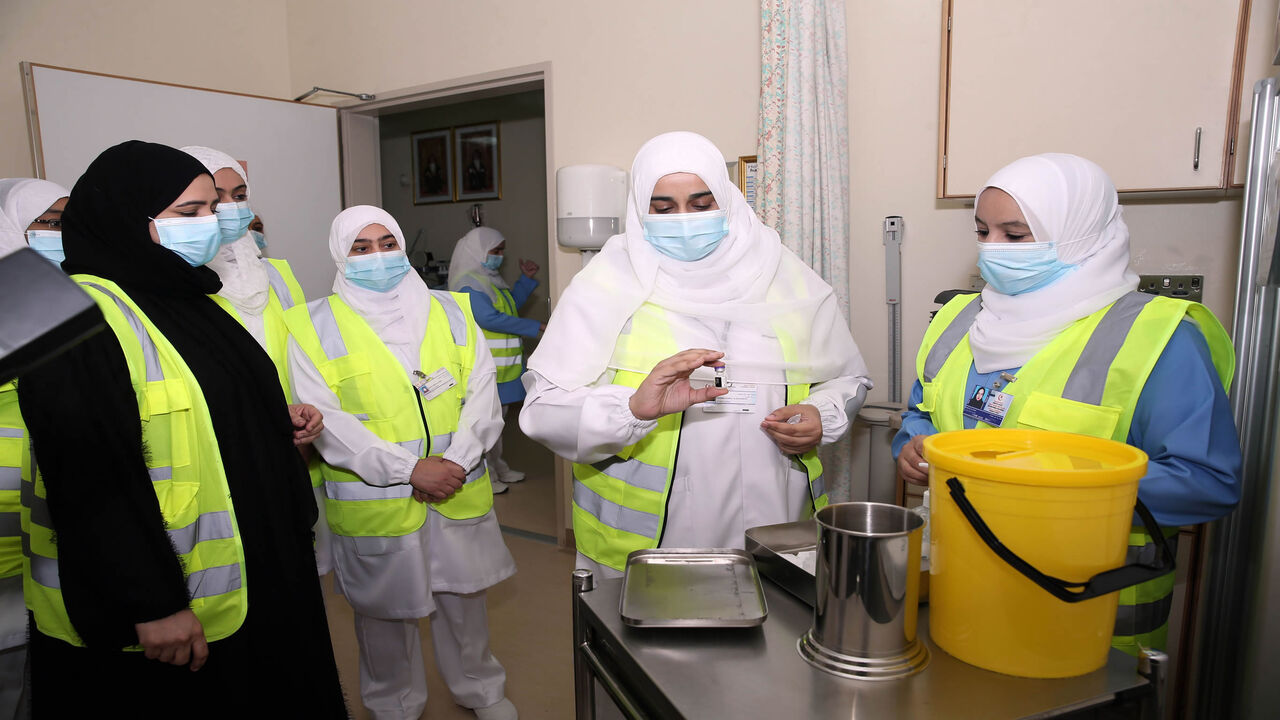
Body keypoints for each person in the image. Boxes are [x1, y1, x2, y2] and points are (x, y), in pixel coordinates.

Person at [16, 141, 347, 717]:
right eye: (187, 213)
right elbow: (90, 476)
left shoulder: (190, 295)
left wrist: (274, 425)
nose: (210, 225)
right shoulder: (69, 315)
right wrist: (151, 602)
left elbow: (207, 406)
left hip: (255, 570)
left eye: (211, 210)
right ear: (126, 214)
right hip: (166, 601)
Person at [893, 153, 1241, 655]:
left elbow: (1208, 483)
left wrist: (1044, 487)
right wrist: (911, 446)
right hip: (964, 593)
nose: (992, 251)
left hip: (1088, 618)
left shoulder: (1158, 340)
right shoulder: (958, 318)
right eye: (982, 231)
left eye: (1015, 236)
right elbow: (923, 414)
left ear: (1080, 233)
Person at [520, 131, 873, 578]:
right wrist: (628, 410)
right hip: (653, 547)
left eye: (702, 204)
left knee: (775, 641)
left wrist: (824, 413)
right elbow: (541, 410)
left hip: (777, 529)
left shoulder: (788, 278)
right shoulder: (605, 287)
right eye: (663, 209)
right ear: (639, 212)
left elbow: (848, 378)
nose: (684, 220)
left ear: (727, 200)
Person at [284, 206, 517, 720]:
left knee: (465, 604)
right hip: (377, 495)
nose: (377, 257)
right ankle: (393, 705)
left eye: (386, 243)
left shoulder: (452, 310)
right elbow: (325, 416)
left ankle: (481, 689)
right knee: (384, 616)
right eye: (360, 248)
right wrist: (409, 470)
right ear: (339, 257)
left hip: (457, 485)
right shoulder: (310, 324)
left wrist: (455, 461)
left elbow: (481, 393)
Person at [180, 145, 329, 572]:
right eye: (213, 198)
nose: (229, 207)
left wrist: (308, 418)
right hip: (223, 449)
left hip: (292, 440)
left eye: (238, 194)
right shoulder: (180, 283)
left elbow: (302, 355)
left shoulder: (278, 274)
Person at [0, 177, 69, 718]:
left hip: (53, 535)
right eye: (47, 222)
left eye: (68, 221)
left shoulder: (74, 298)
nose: (60, 234)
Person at [449, 226, 545, 486]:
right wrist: (534, 327)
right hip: (482, 368)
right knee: (482, 425)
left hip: (500, 369)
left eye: (502, 250)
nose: (500, 256)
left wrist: (525, 280)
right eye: (495, 250)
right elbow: (488, 318)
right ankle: (486, 476)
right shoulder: (467, 283)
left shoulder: (489, 279)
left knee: (495, 425)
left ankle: (498, 468)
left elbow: (510, 305)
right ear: (478, 251)